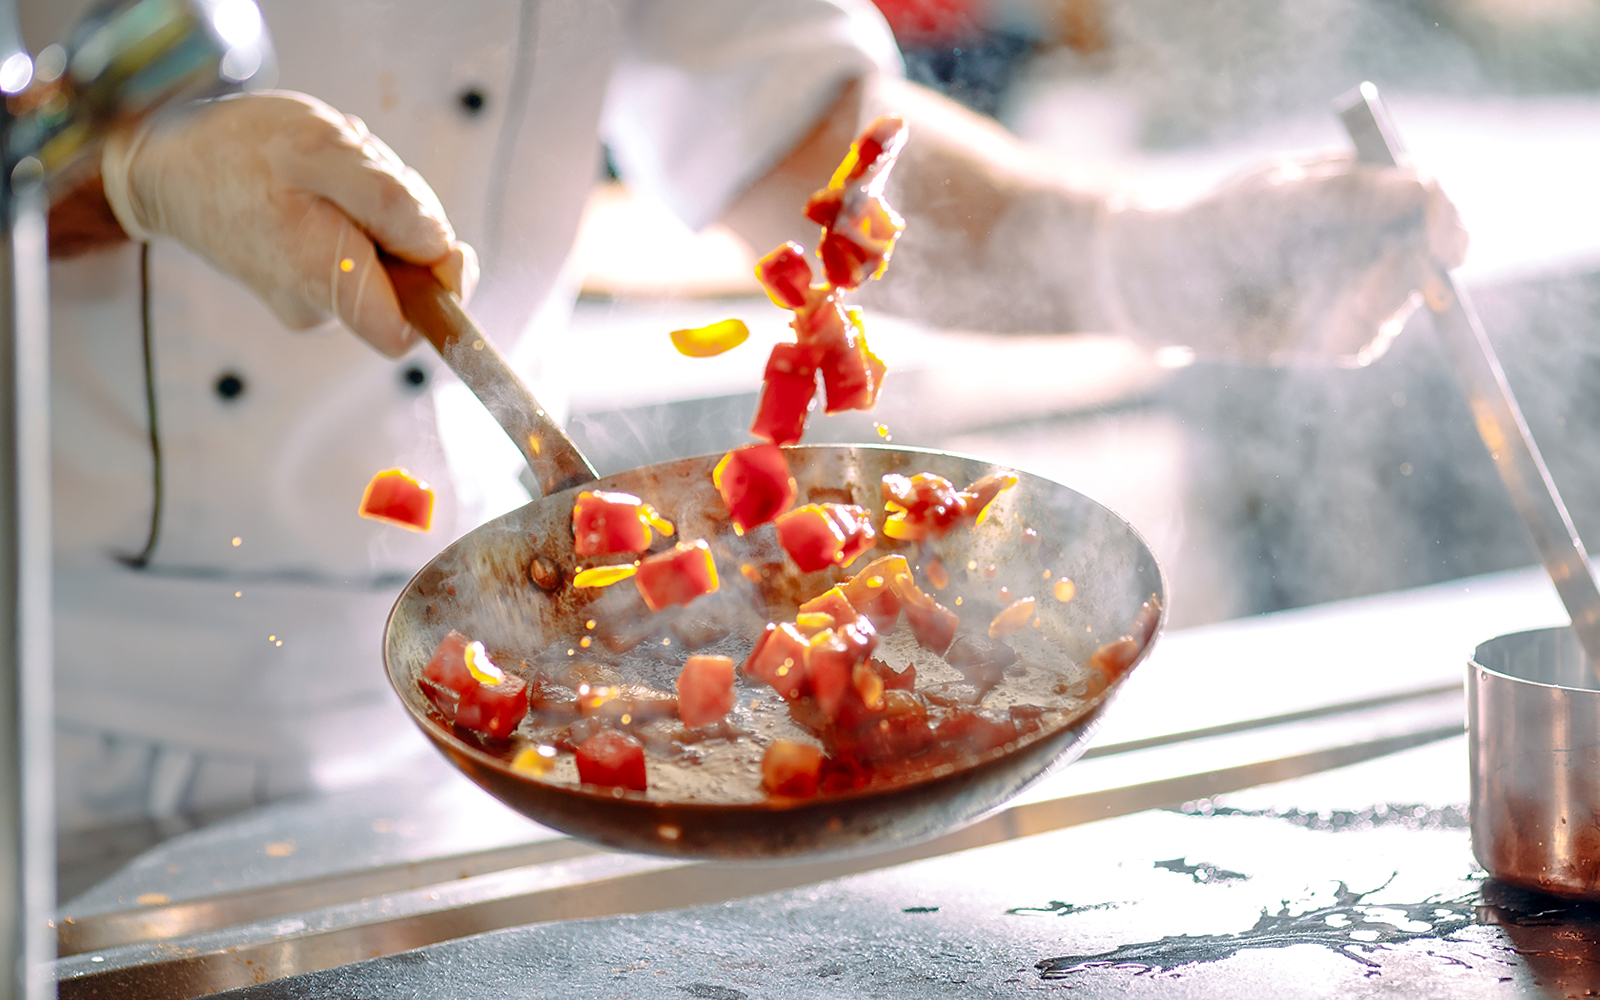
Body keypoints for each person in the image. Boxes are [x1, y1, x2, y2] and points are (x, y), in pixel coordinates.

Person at [31, 0, 1463, 837]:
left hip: (445, 712)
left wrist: (1130, 254)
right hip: (41, 695)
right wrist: (138, 166)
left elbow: (806, 133)